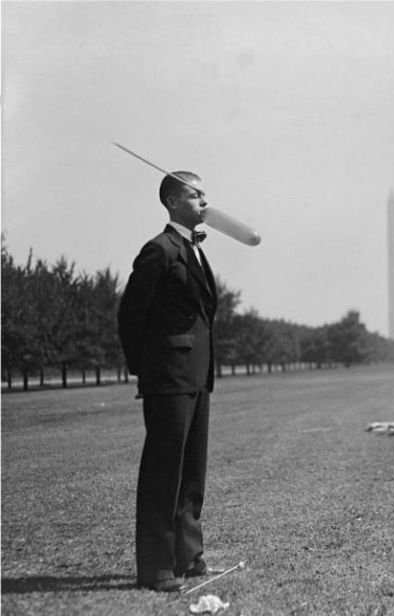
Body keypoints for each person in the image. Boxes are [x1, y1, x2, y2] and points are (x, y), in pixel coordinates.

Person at [118, 171, 217, 592]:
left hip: (196, 375)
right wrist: (148, 369)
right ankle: (157, 566)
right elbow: (130, 315)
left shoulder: (192, 249)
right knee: (164, 472)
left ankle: (188, 556)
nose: (204, 203)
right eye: (197, 196)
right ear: (174, 201)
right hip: (168, 378)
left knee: (192, 472)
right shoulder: (158, 250)